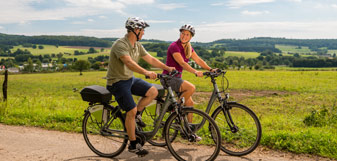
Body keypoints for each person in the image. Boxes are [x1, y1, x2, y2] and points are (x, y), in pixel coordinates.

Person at [106, 17, 175, 156]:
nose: (143, 33)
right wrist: (146, 72)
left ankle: (136, 116)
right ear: (135, 30)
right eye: (142, 30)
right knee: (130, 111)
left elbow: (151, 59)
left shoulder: (137, 45)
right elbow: (129, 62)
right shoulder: (120, 44)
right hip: (117, 82)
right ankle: (132, 144)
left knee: (153, 91)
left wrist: (167, 67)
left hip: (129, 79)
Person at [162, 24, 217, 136]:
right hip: (168, 78)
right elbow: (182, 63)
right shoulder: (174, 46)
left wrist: (210, 69)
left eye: (187, 34)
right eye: (183, 33)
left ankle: (188, 131)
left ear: (191, 37)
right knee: (191, 87)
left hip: (177, 79)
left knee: (190, 103)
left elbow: (198, 60)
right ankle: (174, 110)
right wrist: (195, 72)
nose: (184, 36)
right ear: (180, 34)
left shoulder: (188, 47)